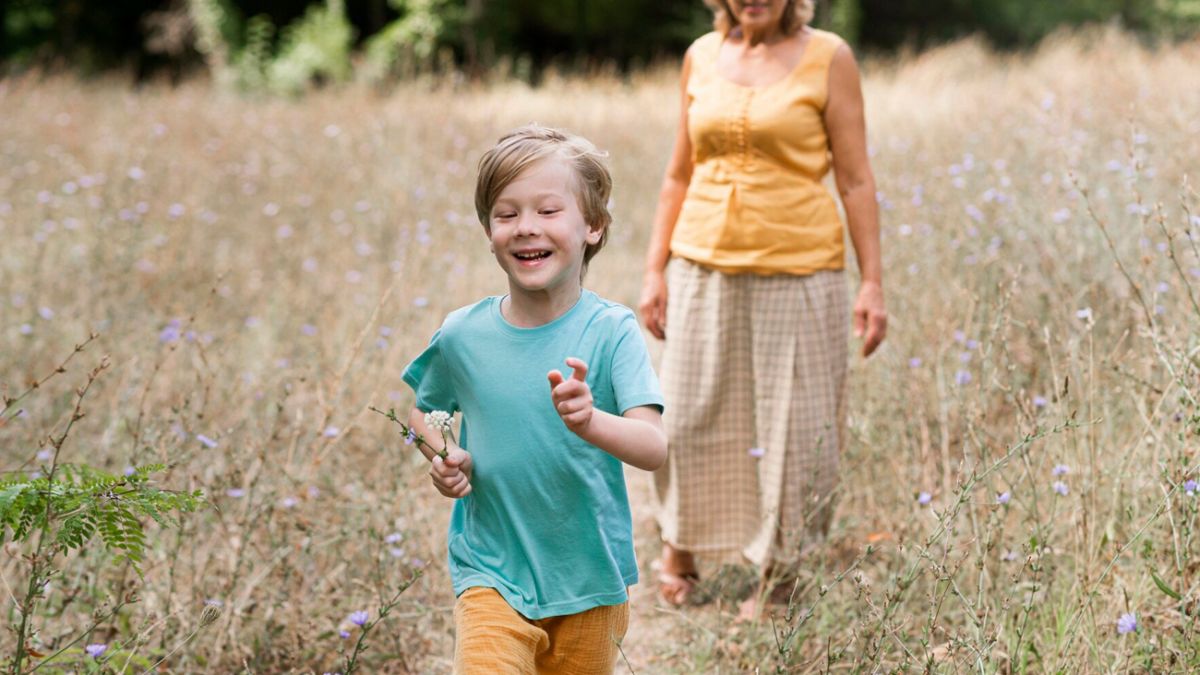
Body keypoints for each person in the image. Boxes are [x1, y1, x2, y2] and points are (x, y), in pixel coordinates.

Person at [639, 0, 886, 617]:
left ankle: (778, 574)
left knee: (794, 428)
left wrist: (872, 281)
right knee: (688, 409)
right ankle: (681, 547)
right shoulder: (700, 54)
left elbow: (855, 180)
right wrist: (653, 268)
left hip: (799, 266)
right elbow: (678, 174)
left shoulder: (831, 58)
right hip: (701, 261)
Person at [402, 125, 668, 674]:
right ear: (487, 229)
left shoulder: (612, 330)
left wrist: (591, 421)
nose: (526, 228)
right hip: (491, 572)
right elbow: (422, 412)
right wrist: (443, 458)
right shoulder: (462, 335)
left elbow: (652, 447)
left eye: (548, 211)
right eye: (506, 214)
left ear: (593, 226)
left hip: (591, 581)